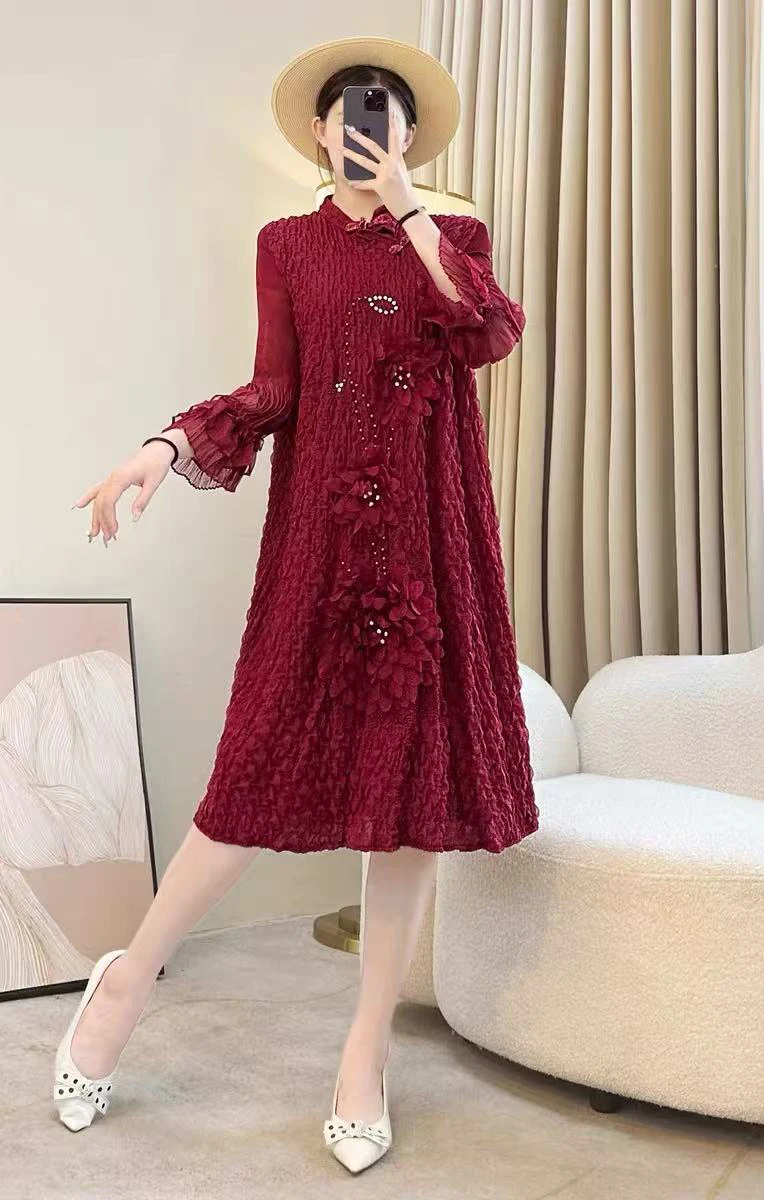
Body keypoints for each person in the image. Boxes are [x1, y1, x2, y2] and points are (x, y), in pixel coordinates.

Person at [60, 35, 539, 1175]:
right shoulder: (285, 244)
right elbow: (273, 388)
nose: (371, 125)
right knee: (250, 782)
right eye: (352, 110)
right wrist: (165, 447)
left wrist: (412, 211)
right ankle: (125, 983)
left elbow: (489, 333)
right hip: (320, 545)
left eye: (390, 111)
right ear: (320, 133)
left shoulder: (455, 240)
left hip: (428, 547)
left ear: (408, 135)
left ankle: (363, 1056)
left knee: (410, 810)